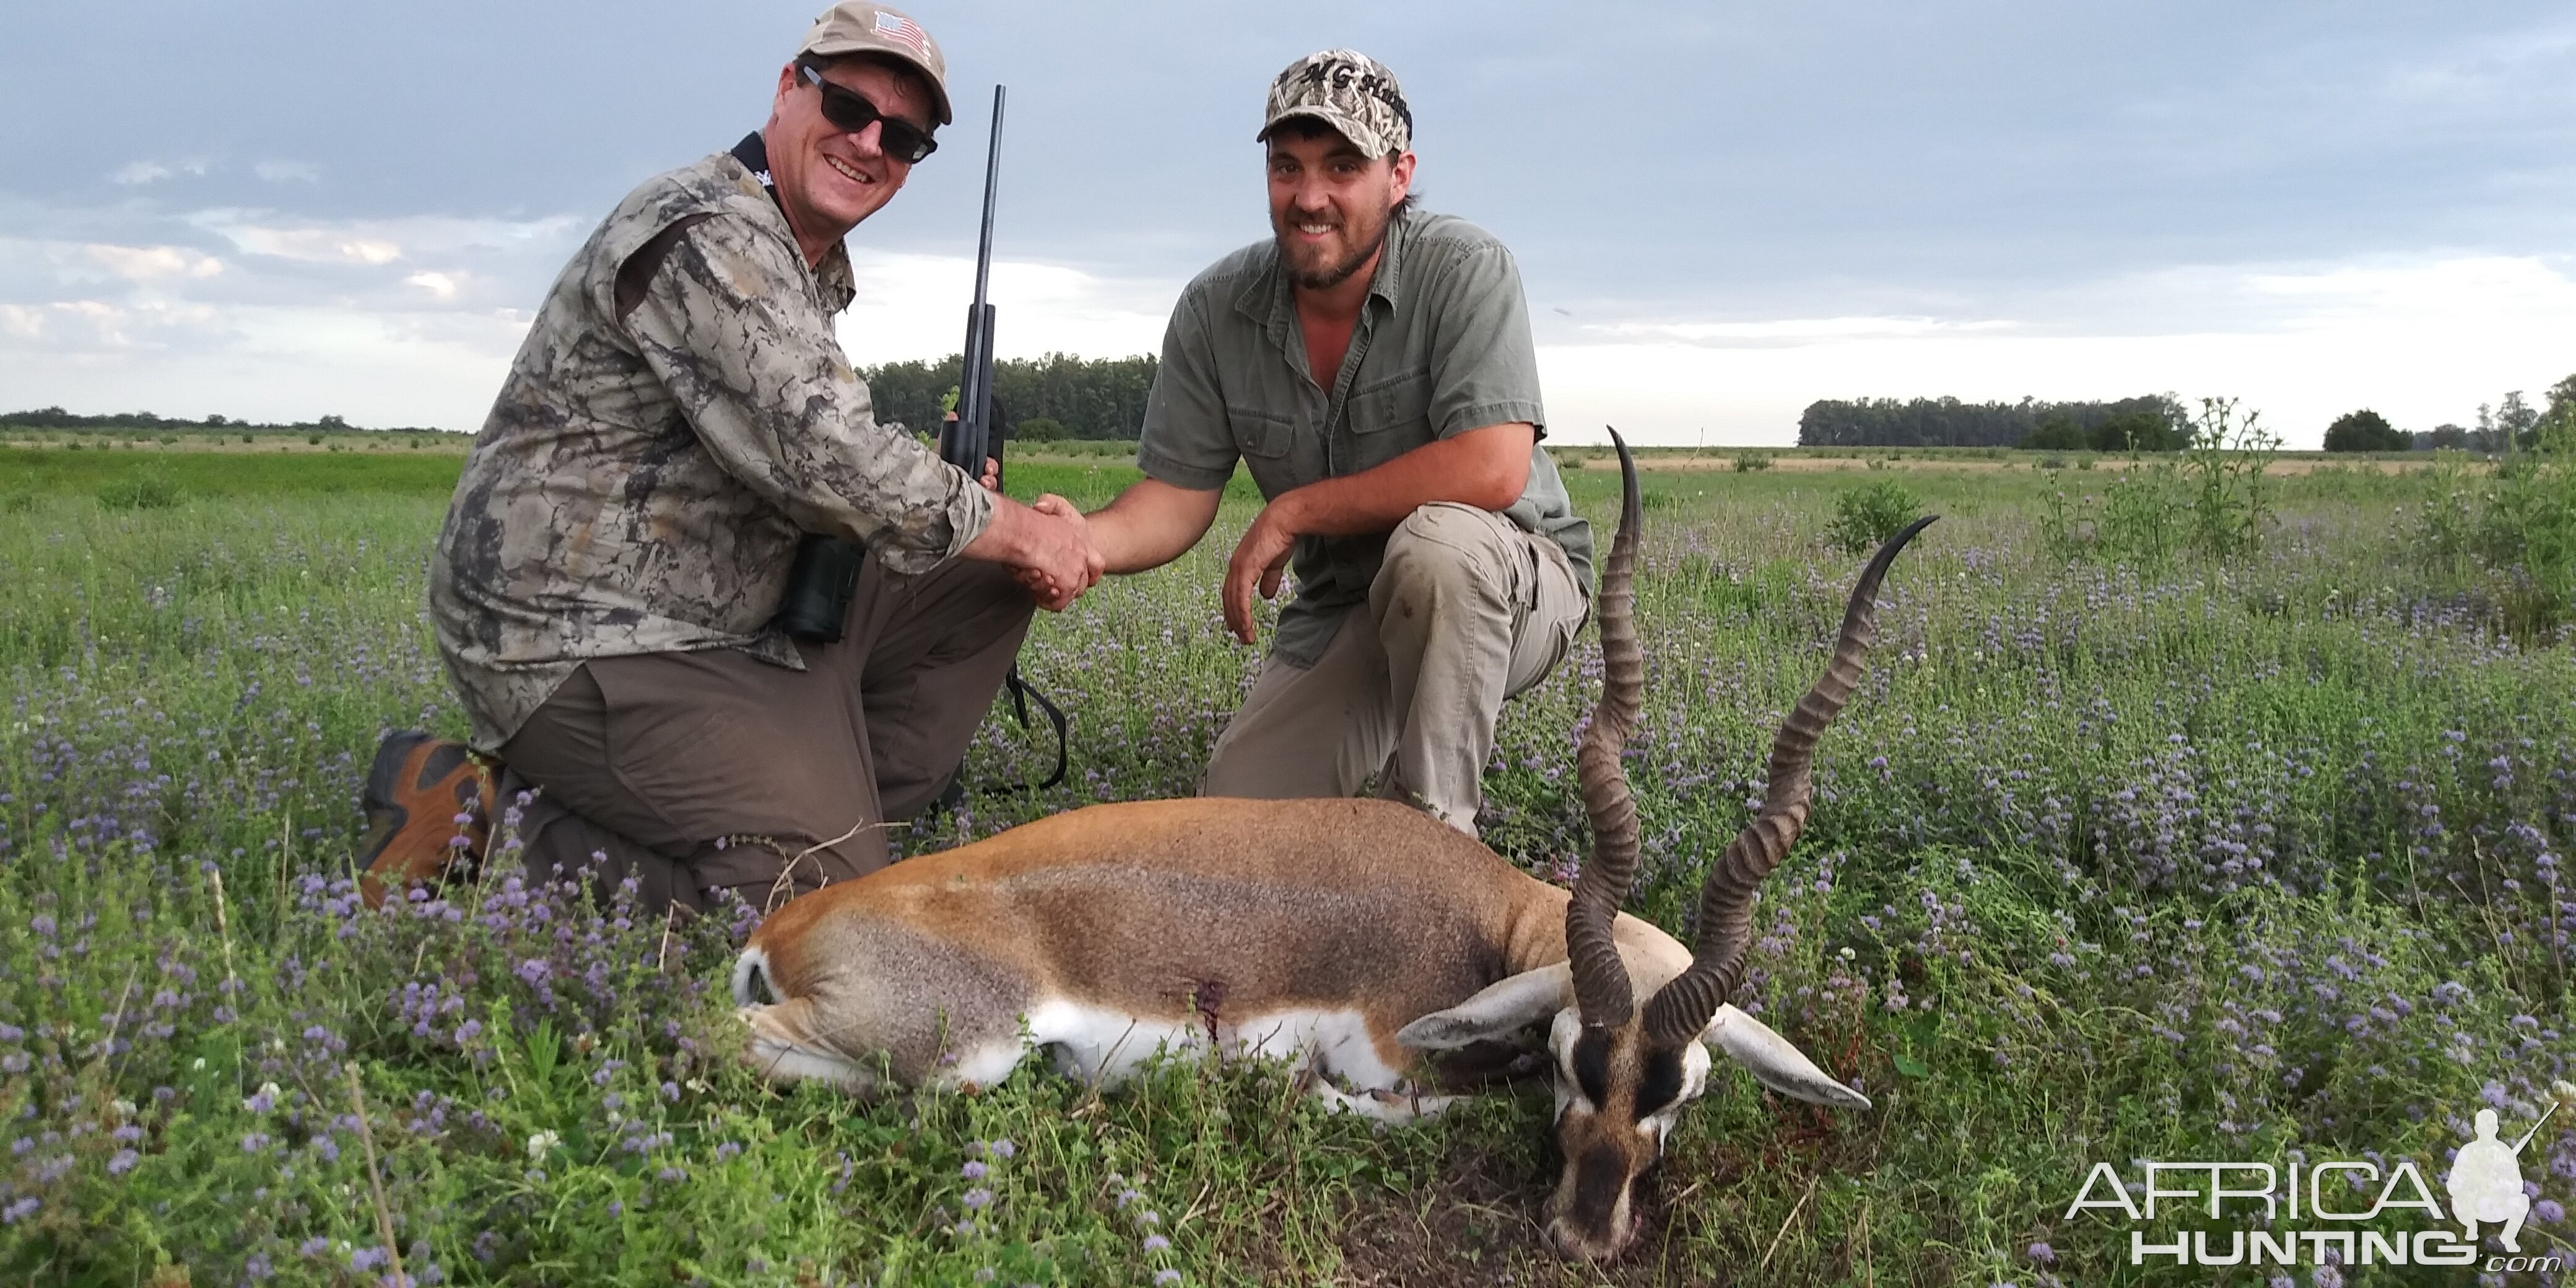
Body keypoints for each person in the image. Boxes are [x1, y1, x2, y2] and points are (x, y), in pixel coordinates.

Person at [359, 2, 1100, 916]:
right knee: (822, 905)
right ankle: (493, 819)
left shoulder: (800, 261)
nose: (871, 143)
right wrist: (1020, 528)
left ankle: (819, 800)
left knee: (982, 576)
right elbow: (827, 452)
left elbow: (816, 444)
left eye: (903, 138)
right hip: (582, 632)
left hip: (720, 600)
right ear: (789, 90)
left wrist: (991, 530)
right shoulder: (710, 227)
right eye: (847, 107)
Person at [1068, 50, 1591, 835]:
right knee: (1232, 833)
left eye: (1341, 166)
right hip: (1349, 603)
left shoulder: (1464, 268)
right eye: (1287, 167)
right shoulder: (1216, 309)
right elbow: (1175, 497)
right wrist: (1080, 541)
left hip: (1511, 584)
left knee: (1435, 548)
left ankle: (1432, 849)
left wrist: (1297, 511)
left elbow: (1491, 465)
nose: (1308, 198)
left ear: (1398, 173)